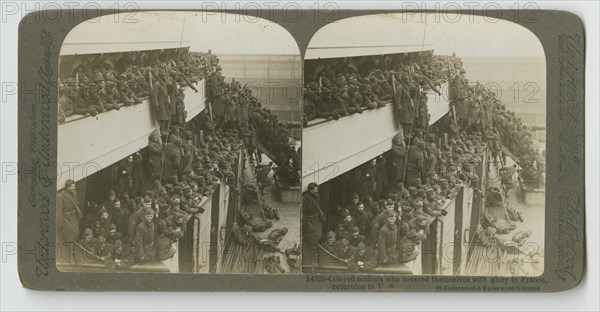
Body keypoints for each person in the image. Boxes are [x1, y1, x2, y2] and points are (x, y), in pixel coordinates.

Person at [57, 179, 83, 247]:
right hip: (66, 219)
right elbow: (58, 212)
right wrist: (60, 225)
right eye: (73, 186)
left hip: (74, 217)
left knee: (76, 233)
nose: (74, 188)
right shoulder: (60, 196)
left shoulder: (74, 193)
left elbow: (76, 203)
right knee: (69, 236)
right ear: (68, 187)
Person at [302, 183, 325, 251]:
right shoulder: (305, 198)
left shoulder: (317, 196)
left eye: (317, 189)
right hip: (310, 218)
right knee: (312, 233)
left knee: (319, 232)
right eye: (315, 189)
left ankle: (316, 245)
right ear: (310, 190)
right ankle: (312, 246)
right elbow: (304, 211)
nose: (317, 191)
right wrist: (304, 221)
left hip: (317, 217)